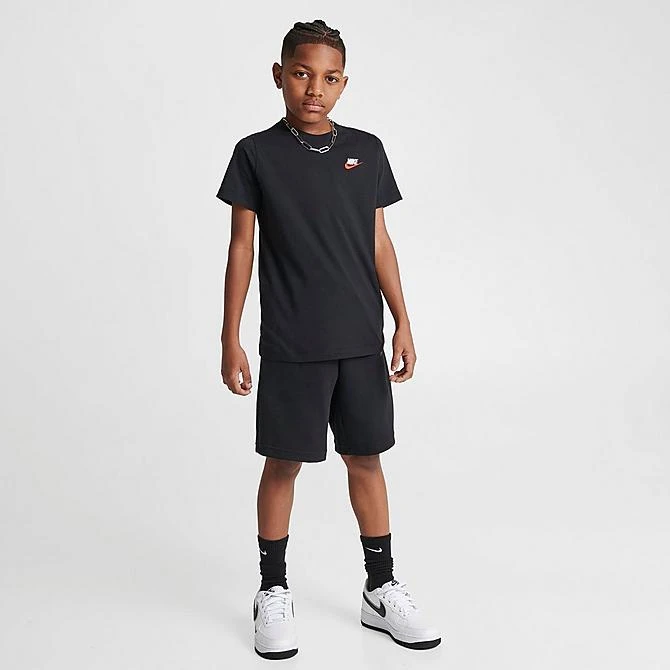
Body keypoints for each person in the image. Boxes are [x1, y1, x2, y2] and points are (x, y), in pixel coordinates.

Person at [215, 18, 441, 660]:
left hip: (360, 339)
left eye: (330, 77)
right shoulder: (256, 153)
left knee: (366, 459)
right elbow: (241, 248)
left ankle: (380, 587)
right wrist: (230, 337)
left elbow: (378, 241)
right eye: (302, 74)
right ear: (280, 75)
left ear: (344, 83)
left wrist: (402, 320)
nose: (315, 88)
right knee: (282, 463)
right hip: (292, 342)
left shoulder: (366, 149)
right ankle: (272, 589)